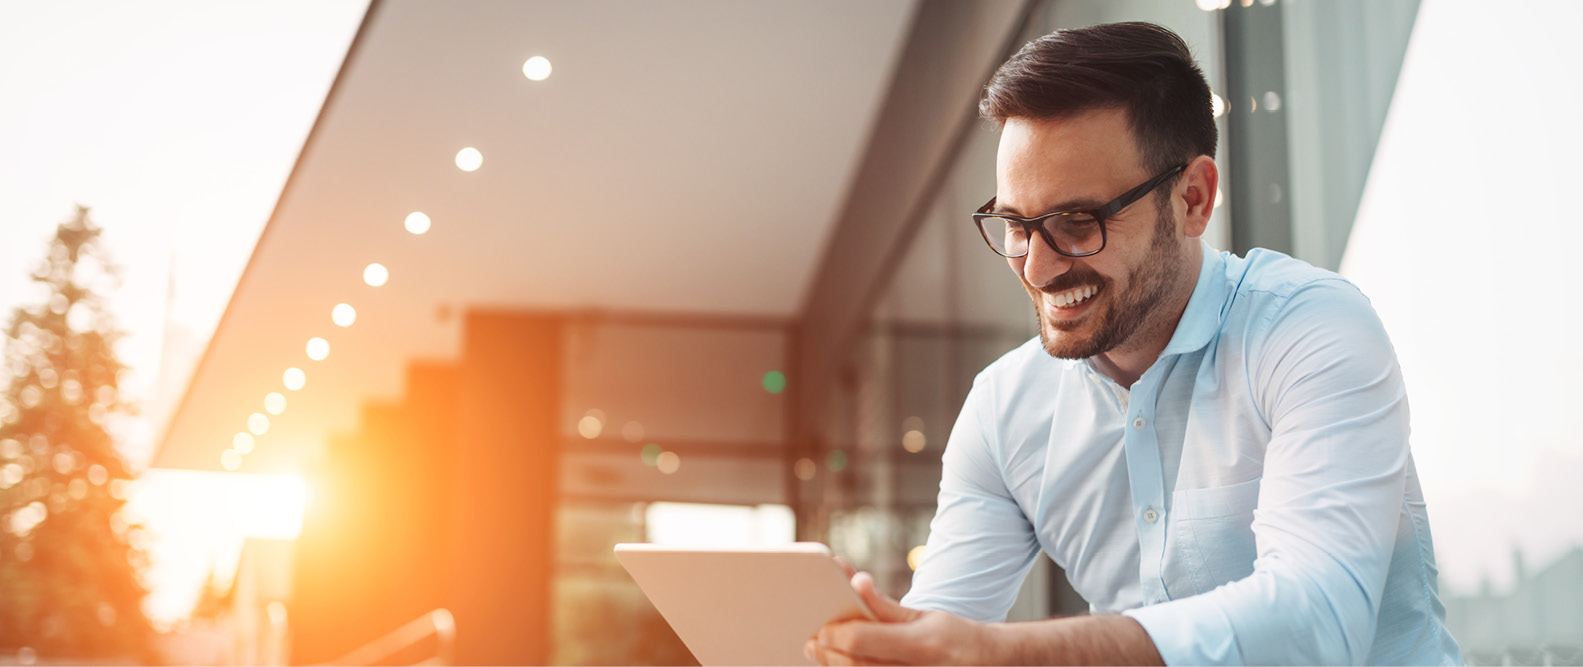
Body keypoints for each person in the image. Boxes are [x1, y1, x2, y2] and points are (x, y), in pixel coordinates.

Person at [805, 22, 1462, 666]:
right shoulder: (1005, 410)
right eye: (1015, 225)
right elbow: (942, 634)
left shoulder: (1305, 330)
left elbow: (1314, 622)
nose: (1036, 268)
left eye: (1076, 221)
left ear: (1193, 199)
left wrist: (999, 655)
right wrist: (867, 641)